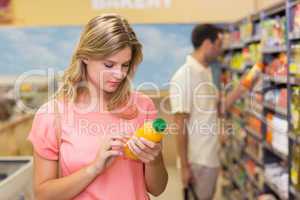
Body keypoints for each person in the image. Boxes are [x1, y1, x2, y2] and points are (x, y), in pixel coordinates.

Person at [27, 14, 168, 200]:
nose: (119, 74)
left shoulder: (143, 106)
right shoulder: (52, 115)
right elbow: (43, 195)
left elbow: (157, 189)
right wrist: (94, 168)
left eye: (125, 65)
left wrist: (154, 159)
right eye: (109, 65)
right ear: (85, 56)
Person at [169, 24, 252, 200]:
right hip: (197, 160)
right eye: (219, 44)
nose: (220, 50)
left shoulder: (205, 71)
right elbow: (179, 124)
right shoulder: (184, 75)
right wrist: (184, 166)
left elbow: (218, 108)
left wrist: (244, 86)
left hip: (210, 156)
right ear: (208, 43)